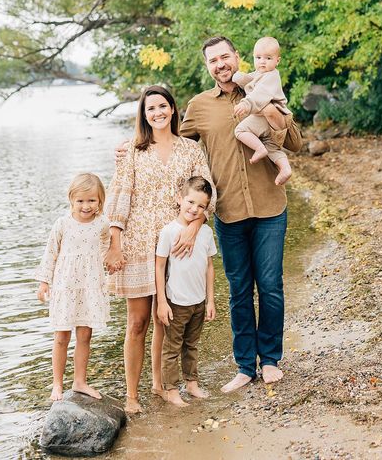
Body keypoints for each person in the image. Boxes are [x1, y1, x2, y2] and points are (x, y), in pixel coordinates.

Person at [180, 35, 302, 393]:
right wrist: (135, 143)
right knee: (238, 292)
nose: (220, 64)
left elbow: (294, 141)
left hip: (270, 207)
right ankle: (245, 365)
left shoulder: (264, 86)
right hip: (229, 213)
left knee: (270, 287)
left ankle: (272, 360)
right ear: (208, 67)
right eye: (212, 60)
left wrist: (267, 109)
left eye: (225, 56)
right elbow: (173, 144)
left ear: (236, 57)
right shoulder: (199, 106)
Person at [104, 85, 216, 414]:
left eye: (163, 106)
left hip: (176, 247)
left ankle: (161, 385)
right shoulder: (133, 151)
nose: (158, 113)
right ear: (144, 115)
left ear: (172, 109)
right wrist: (114, 242)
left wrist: (195, 227)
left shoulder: (191, 149)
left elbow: (209, 192)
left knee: (165, 320)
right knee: (138, 322)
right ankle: (131, 395)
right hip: (139, 245)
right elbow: (119, 197)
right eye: (150, 108)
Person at [35, 173, 109, 402]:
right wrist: (44, 281)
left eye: (91, 200)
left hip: (90, 287)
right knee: (61, 336)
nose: (86, 206)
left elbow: (107, 246)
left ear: (100, 201)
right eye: (80, 201)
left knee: (85, 335)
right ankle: (57, 384)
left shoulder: (102, 224)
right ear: (71, 200)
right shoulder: (63, 224)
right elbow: (51, 253)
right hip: (65, 286)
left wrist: (108, 264)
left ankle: (80, 381)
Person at [155, 176, 217, 406]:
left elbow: (209, 267)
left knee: (191, 345)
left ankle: (191, 383)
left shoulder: (206, 233)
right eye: (190, 202)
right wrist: (162, 301)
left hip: (198, 301)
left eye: (201, 206)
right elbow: (160, 266)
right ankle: (171, 389)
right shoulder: (169, 232)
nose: (194, 209)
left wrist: (210, 300)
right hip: (176, 302)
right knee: (172, 348)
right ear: (179, 199)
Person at [232, 36, 292, 186]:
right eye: (258, 57)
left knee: (240, 130)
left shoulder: (272, 76)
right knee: (272, 147)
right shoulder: (260, 74)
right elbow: (249, 80)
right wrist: (239, 77)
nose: (262, 61)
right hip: (268, 121)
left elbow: (260, 94)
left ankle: (259, 149)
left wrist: (246, 104)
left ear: (277, 61)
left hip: (267, 117)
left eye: (268, 58)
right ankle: (285, 168)